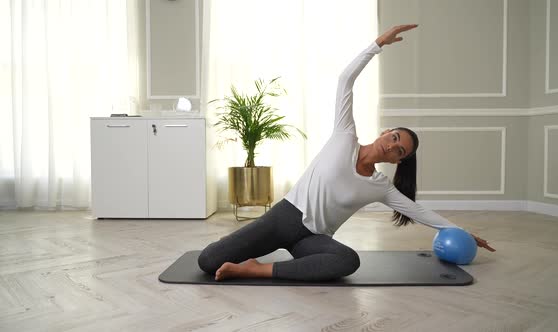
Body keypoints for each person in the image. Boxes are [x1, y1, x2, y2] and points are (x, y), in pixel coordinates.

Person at [198, 24, 496, 282]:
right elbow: (345, 81)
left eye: (399, 149)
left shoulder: (380, 186)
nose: (392, 146)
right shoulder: (344, 135)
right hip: (283, 219)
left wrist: (463, 232)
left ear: (397, 160)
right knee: (208, 261)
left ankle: (256, 270)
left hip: (313, 240)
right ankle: (252, 256)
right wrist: (377, 44)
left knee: (347, 261)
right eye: (394, 137)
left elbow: (419, 212)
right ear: (384, 132)